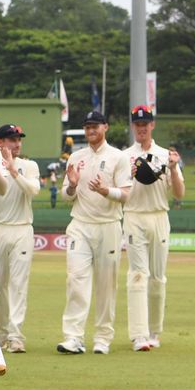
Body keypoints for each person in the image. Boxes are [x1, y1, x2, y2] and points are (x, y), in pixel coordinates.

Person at [56, 110, 132, 355]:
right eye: (88, 127)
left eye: (95, 126)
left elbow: (126, 195)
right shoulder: (75, 157)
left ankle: (102, 337)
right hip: (80, 224)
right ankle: (73, 337)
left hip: (108, 225)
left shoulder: (117, 158)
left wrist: (105, 191)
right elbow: (65, 196)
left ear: (105, 128)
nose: (91, 131)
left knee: (106, 284)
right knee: (76, 280)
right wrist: (73, 185)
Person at [122, 105, 184, 351]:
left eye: (145, 124)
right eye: (137, 124)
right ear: (133, 127)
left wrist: (175, 168)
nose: (141, 128)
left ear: (152, 125)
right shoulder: (124, 156)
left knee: (157, 278)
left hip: (159, 216)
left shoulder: (166, 155)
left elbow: (179, 194)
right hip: (134, 215)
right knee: (138, 274)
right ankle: (139, 335)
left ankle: (154, 331)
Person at [0, 124, 40, 354]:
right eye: (11, 139)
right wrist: (1, 168)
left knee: (19, 284)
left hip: (21, 230)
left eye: (19, 139)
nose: (17, 143)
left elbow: (33, 191)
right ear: (0, 143)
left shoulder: (29, 166)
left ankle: (16, 335)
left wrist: (15, 171)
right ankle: (0, 333)